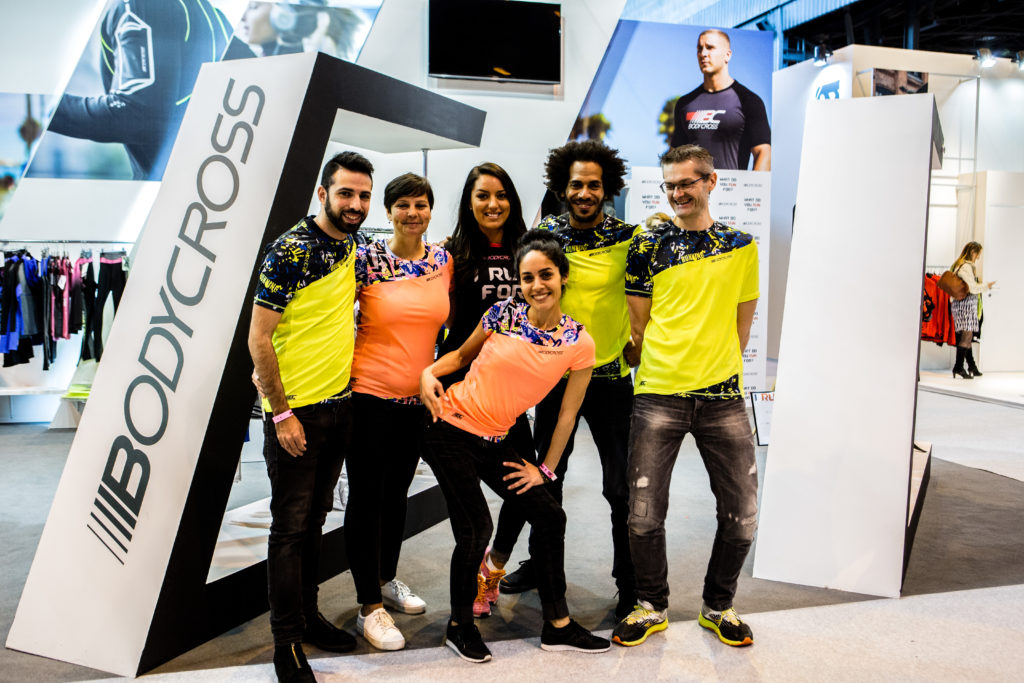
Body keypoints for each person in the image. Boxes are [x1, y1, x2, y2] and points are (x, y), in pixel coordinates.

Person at [419, 230, 610, 662]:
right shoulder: (502, 313)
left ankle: (558, 626)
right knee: (476, 529)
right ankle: (459, 627)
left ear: (563, 276)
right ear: (518, 282)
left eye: (546, 275)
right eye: (527, 278)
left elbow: (567, 415)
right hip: (448, 428)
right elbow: (460, 357)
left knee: (550, 515)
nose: (537, 285)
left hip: (495, 439)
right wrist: (428, 373)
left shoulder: (579, 343)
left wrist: (545, 470)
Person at [612, 144, 759, 649]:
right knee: (643, 515)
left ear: (710, 182)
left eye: (686, 183)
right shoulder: (646, 245)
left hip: (724, 397)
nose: (677, 193)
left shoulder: (741, 245)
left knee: (742, 516)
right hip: (659, 392)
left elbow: (742, 325)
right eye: (670, 185)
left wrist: (717, 366)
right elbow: (638, 325)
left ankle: (719, 605)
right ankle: (650, 605)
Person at [488, 140, 640, 620]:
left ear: (607, 188)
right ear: (562, 186)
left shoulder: (630, 238)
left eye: (593, 185)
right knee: (548, 479)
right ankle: (541, 565)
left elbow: (649, 293)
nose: (584, 193)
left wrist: (638, 340)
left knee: (621, 489)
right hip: (553, 377)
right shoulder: (546, 235)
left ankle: (629, 584)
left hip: (610, 378)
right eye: (576, 184)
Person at [248, 151, 373, 683]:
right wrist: (281, 414)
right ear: (323, 194)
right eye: (346, 193)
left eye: (363, 195)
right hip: (296, 414)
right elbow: (258, 338)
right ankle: (287, 643)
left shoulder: (355, 247)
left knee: (316, 521)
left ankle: (309, 615)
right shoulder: (290, 250)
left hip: (340, 407)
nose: (355, 204)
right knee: (290, 529)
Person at [344, 173, 451, 650]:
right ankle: (369, 606)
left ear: (430, 210)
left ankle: (386, 578)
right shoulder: (366, 260)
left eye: (421, 204)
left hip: (417, 403)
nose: (412, 213)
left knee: (396, 496)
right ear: (387, 212)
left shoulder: (442, 261)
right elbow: (331, 317)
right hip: (369, 396)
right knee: (367, 498)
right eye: (403, 204)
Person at [438, 163, 533, 618]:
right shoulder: (450, 254)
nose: (493, 204)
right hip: (460, 390)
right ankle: (466, 585)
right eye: (482, 196)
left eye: (501, 194)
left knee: (523, 485)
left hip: (510, 392)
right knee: (467, 500)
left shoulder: (528, 250)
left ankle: (493, 567)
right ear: (469, 202)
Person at [46, 0, 231, 180]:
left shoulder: (141, 5)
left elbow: (137, 114)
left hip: (170, 191)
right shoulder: (213, 16)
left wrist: (37, 107)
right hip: (211, 185)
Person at [669, 29, 771, 172]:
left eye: (710, 48)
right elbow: (675, 156)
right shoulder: (685, 104)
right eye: (699, 49)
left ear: (727, 55)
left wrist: (753, 186)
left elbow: (763, 152)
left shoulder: (749, 100)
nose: (703, 54)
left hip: (732, 186)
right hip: (694, 186)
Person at [950, 241, 995, 379]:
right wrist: (986, 286)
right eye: (978, 254)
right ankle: (958, 367)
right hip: (966, 305)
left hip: (961, 304)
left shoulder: (959, 265)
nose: (979, 257)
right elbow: (973, 288)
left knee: (966, 336)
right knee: (966, 337)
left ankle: (971, 366)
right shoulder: (966, 267)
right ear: (973, 252)